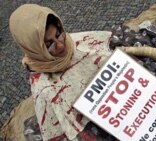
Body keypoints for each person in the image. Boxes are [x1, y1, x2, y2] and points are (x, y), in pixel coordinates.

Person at [9, 4, 117, 141]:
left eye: (58, 34)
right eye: (49, 44)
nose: (60, 45)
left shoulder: (71, 41)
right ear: (35, 48)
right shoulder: (45, 90)